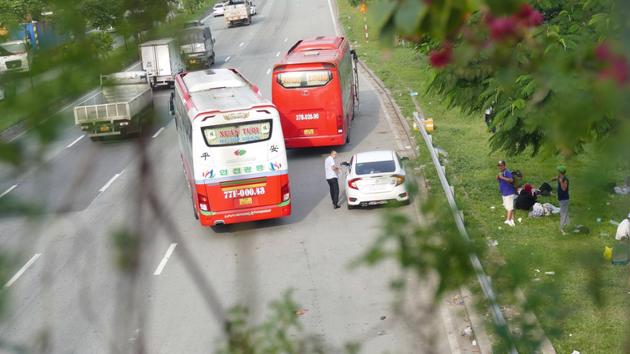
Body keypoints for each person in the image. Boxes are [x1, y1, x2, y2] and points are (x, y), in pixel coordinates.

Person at [496, 160, 516, 226]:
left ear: (504, 166)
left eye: (501, 165)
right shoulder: (500, 173)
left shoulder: (507, 172)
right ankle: (512, 220)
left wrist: (502, 177)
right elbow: (500, 181)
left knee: (509, 207)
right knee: (508, 207)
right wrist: (498, 178)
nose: (500, 167)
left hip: (509, 192)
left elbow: (511, 180)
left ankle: (508, 220)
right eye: (499, 166)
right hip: (504, 192)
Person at [551, 165, 570, 234]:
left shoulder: (565, 180)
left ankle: (562, 228)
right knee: (565, 212)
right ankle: (567, 225)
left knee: (563, 213)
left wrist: (561, 181)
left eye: (558, 171)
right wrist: (554, 179)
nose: (557, 172)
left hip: (564, 198)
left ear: (560, 172)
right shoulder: (560, 177)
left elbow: (564, 189)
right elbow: (556, 178)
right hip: (561, 198)